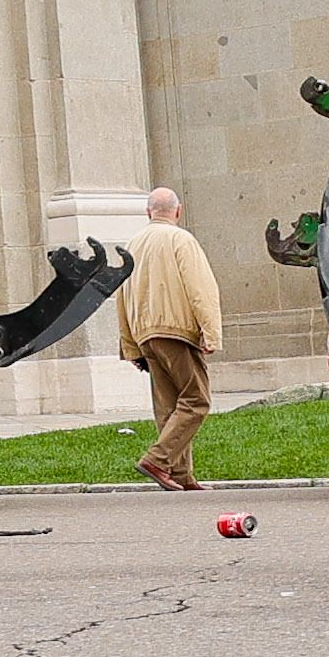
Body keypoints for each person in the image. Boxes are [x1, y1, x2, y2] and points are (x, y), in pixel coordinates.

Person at [114, 189, 226, 491]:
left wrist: (131, 346)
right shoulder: (182, 240)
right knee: (196, 400)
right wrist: (211, 332)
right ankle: (158, 459)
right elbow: (201, 288)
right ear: (178, 211)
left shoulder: (133, 244)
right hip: (176, 331)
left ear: (148, 212)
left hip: (145, 334)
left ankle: (180, 476)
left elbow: (121, 297)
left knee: (169, 406)